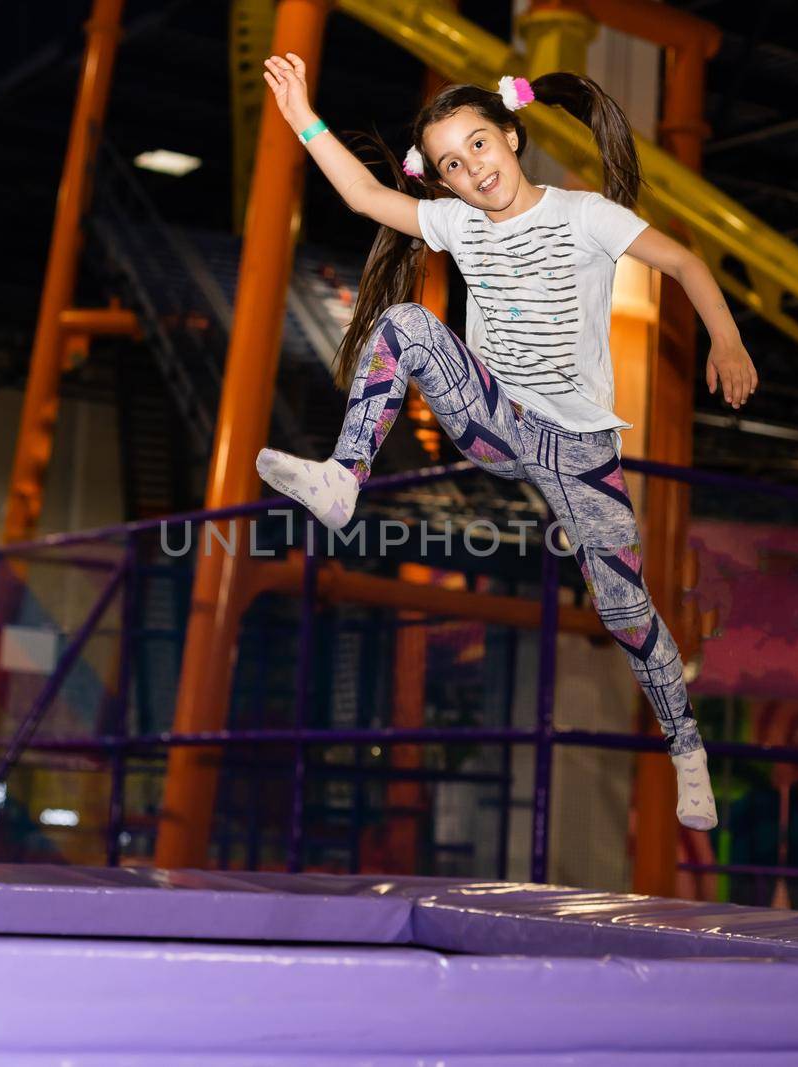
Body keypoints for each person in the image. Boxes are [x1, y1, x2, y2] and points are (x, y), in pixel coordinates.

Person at [254, 55, 759, 830]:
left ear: (512, 137)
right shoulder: (455, 224)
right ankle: (343, 476)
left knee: (625, 609)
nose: (472, 169)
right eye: (452, 163)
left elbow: (685, 261)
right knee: (403, 323)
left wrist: (726, 340)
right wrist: (302, 117)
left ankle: (686, 748)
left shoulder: (585, 215)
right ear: (444, 181)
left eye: (480, 146)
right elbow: (361, 194)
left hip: (581, 452)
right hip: (496, 421)